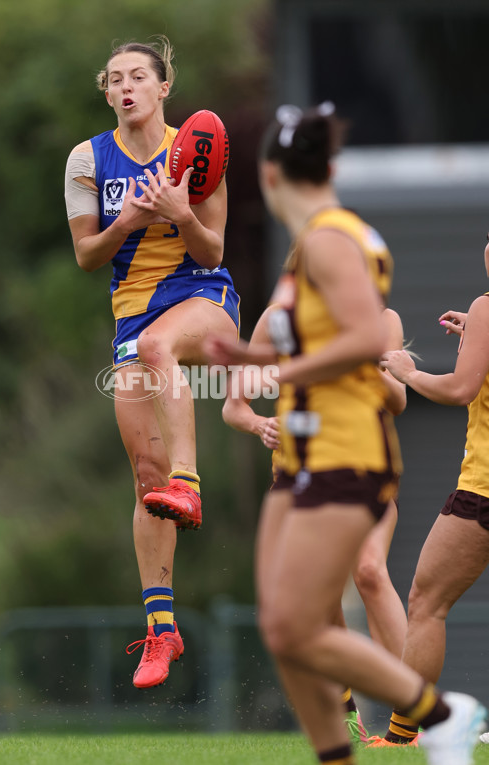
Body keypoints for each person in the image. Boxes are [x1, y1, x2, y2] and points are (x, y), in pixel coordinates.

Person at [205, 102, 485, 765]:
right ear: (329, 165)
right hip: (308, 454)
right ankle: (346, 748)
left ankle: (439, 713)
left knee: (309, 614)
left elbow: (365, 341)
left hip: (344, 455)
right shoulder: (325, 245)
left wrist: (264, 363)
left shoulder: (332, 240)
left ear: (271, 176)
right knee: (285, 624)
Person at [64, 37, 240, 689]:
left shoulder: (196, 146)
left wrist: (177, 213)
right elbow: (87, 256)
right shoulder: (87, 159)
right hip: (131, 314)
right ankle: (162, 630)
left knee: (159, 348)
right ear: (106, 92)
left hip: (203, 294)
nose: (127, 85)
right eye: (115, 78)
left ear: (164, 87)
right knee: (145, 479)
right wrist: (130, 221)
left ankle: (189, 481)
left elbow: (213, 246)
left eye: (140, 75)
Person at [222, 305, 409, 745]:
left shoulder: (380, 318)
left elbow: (398, 400)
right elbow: (234, 405)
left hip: (363, 468)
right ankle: (345, 713)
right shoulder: (278, 319)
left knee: (369, 572)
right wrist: (259, 425)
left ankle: (411, 720)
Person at [375, 234, 489, 748]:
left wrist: (410, 372)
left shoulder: (487, 305)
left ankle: (402, 736)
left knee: (426, 602)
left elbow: (460, 389)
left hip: (484, 488)